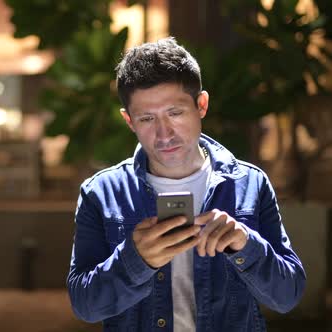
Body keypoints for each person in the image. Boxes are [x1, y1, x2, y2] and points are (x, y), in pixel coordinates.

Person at [66, 37, 305, 332]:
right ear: (129, 121)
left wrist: (245, 243)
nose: (164, 133)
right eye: (147, 119)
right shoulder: (101, 193)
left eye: (175, 113)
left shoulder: (249, 183)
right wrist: (135, 260)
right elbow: (84, 305)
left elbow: (288, 296)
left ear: (201, 105)